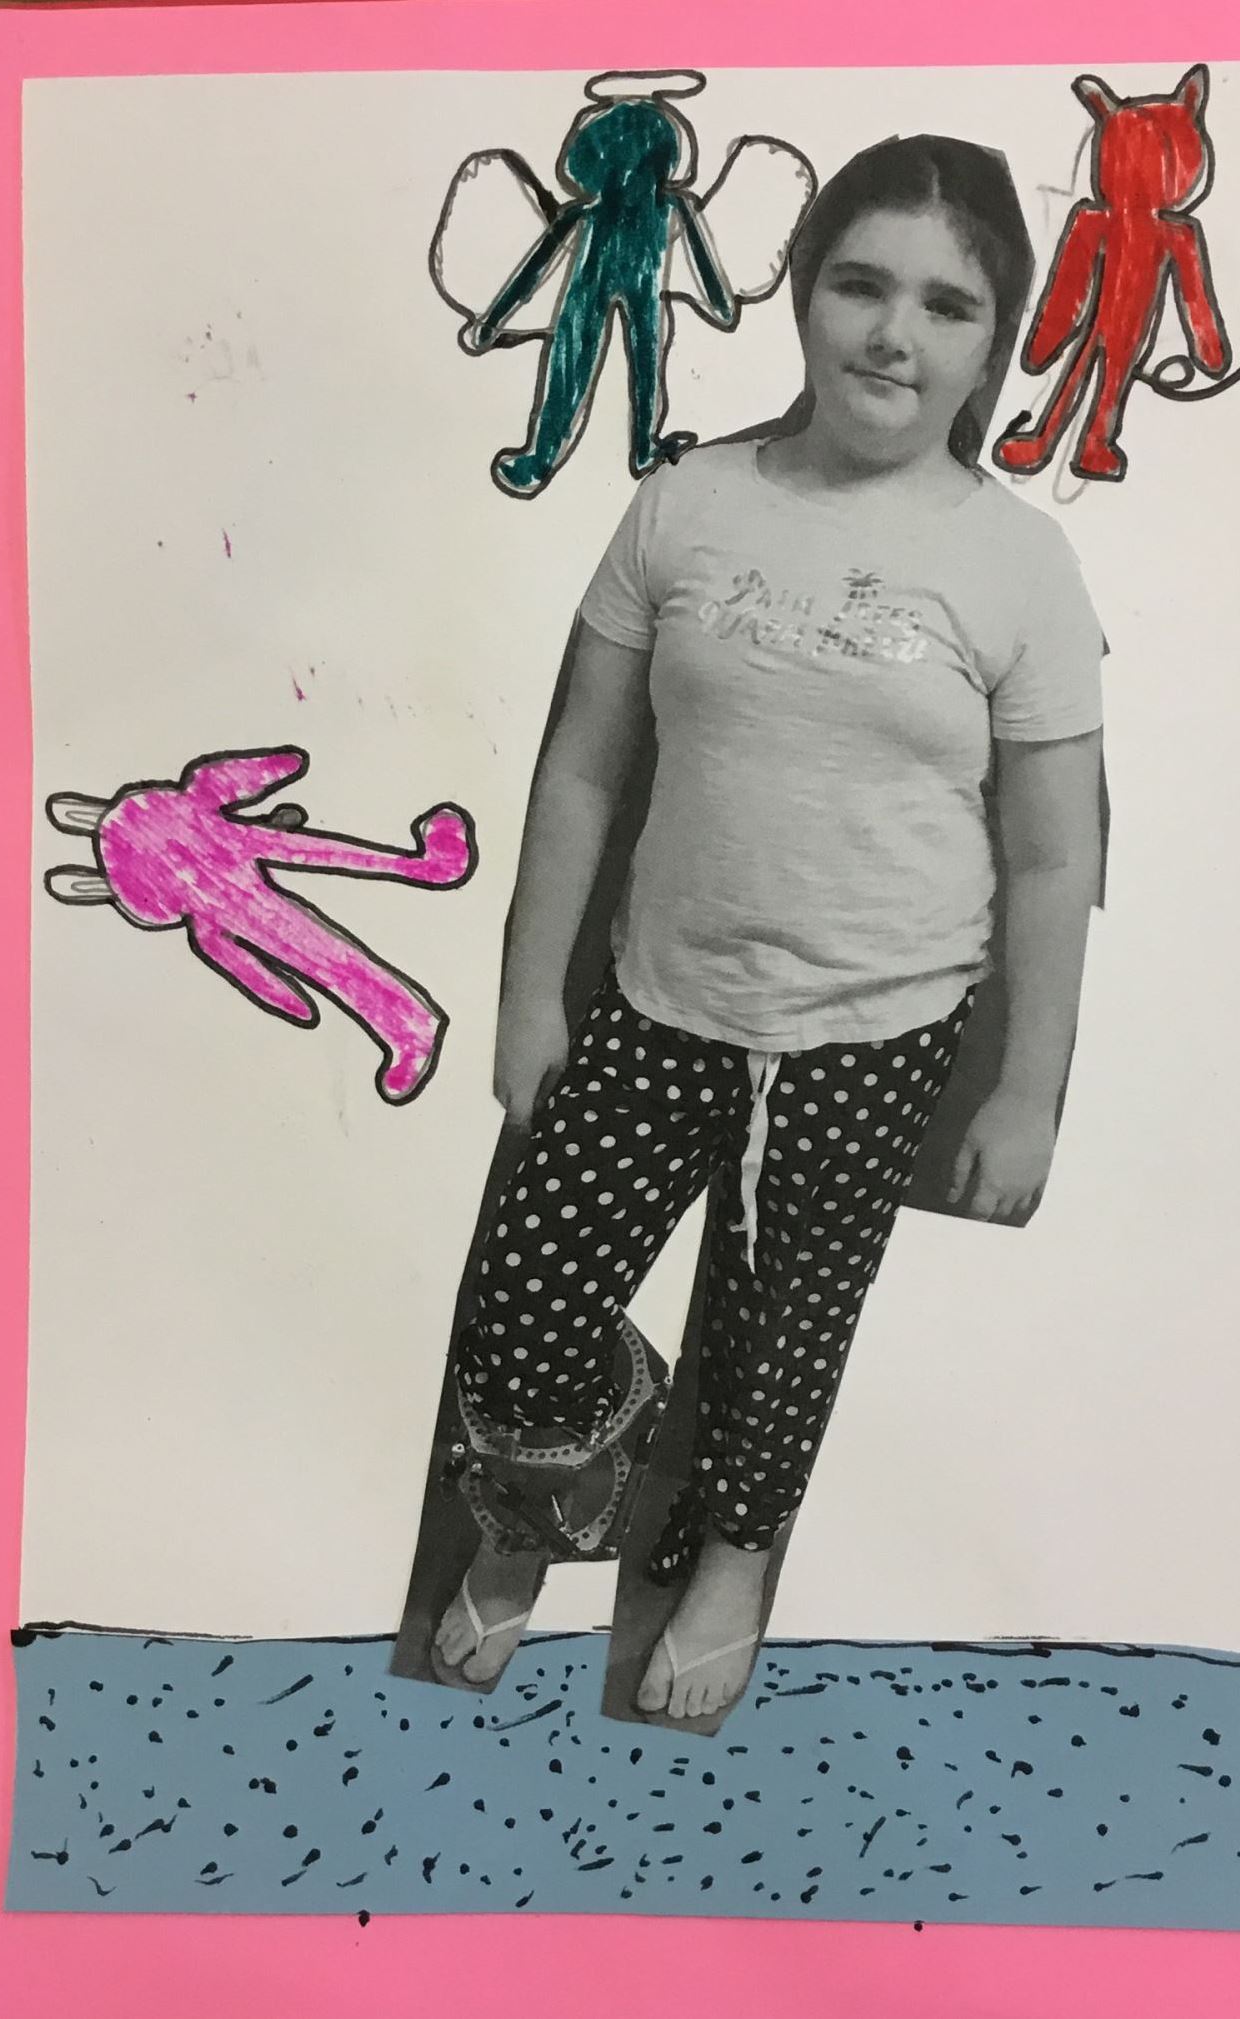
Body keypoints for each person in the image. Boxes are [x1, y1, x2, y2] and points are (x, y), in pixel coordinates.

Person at [431, 134, 1107, 1722]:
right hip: (656, 1001)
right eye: (860, 285)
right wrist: (529, 995)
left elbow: (1050, 854)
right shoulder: (686, 504)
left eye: (945, 305)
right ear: (801, 294)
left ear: (991, 340)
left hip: (875, 1035)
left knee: (784, 1334)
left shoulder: (1019, 563)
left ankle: (732, 1562)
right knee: (525, 1302)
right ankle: (543, 1513)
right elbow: (581, 767)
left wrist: (1028, 1094)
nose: (893, 334)